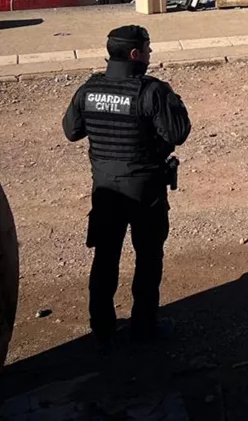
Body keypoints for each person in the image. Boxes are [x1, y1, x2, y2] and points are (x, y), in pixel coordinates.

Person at [62, 26, 191, 348]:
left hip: (105, 189)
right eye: (147, 49)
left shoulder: (88, 90)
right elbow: (176, 134)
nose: (150, 55)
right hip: (144, 189)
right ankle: (144, 327)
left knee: (105, 257)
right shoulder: (152, 91)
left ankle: (101, 327)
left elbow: (72, 131)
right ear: (135, 54)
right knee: (148, 258)